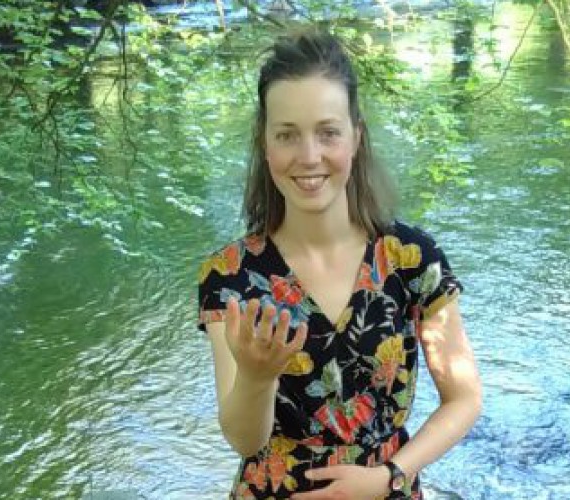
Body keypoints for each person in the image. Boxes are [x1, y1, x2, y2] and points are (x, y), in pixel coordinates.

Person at [197, 30, 482, 499]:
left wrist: (390, 474)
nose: (309, 157)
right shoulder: (229, 276)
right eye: (287, 135)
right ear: (265, 144)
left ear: (356, 137)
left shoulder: (411, 259)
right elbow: (244, 441)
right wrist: (256, 375)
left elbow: (465, 398)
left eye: (328, 132)